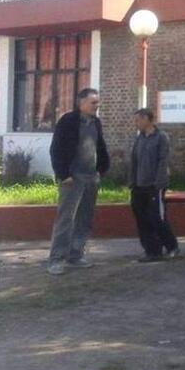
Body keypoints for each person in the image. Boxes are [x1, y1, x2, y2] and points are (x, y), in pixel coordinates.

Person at [47, 88, 110, 275]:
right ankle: (56, 260)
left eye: (97, 102)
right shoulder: (68, 121)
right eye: (93, 102)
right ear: (81, 103)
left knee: (84, 218)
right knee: (66, 218)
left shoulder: (95, 122)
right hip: (72, 178)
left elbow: (100, 146)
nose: (96, 106)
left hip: (91, 177)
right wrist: (62, 173)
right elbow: (56, 149)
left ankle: (75, 255)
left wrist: (102, 169)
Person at [129, 108, 178, 262]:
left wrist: (159, 183)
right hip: (138, 185)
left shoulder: (161, 137)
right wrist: (132, 182)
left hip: (154, 186)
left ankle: (172, 246)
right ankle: (151, 250)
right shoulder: (140, 138)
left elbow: (163, 161)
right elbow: (134, 161)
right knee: (142, 218)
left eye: (138, 120)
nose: (135, 123)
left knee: (156, 217)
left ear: (147, 119)